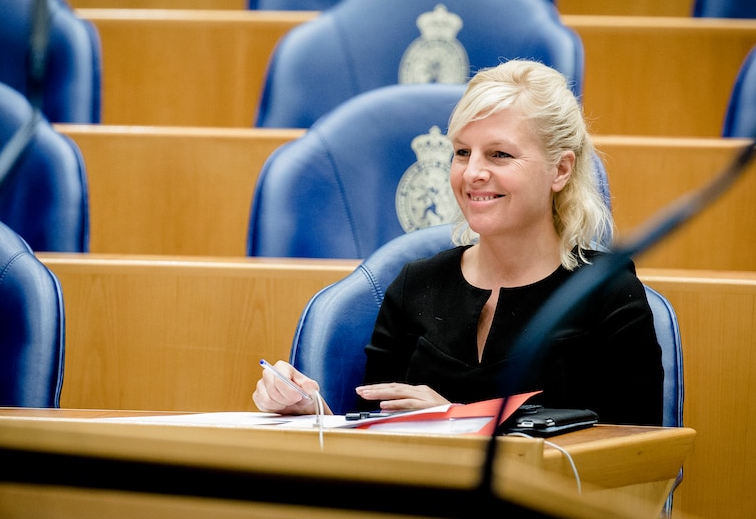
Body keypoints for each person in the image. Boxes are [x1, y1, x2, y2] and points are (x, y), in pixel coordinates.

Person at [253, 60, 663, 426]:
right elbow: (373, 434)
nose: (472, 173)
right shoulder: (415, 284)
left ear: (560, 169)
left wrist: (455, 420)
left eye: (500, 154)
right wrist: (314, 415)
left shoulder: (605, 292)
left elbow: (635, 455)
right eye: (463, 152)